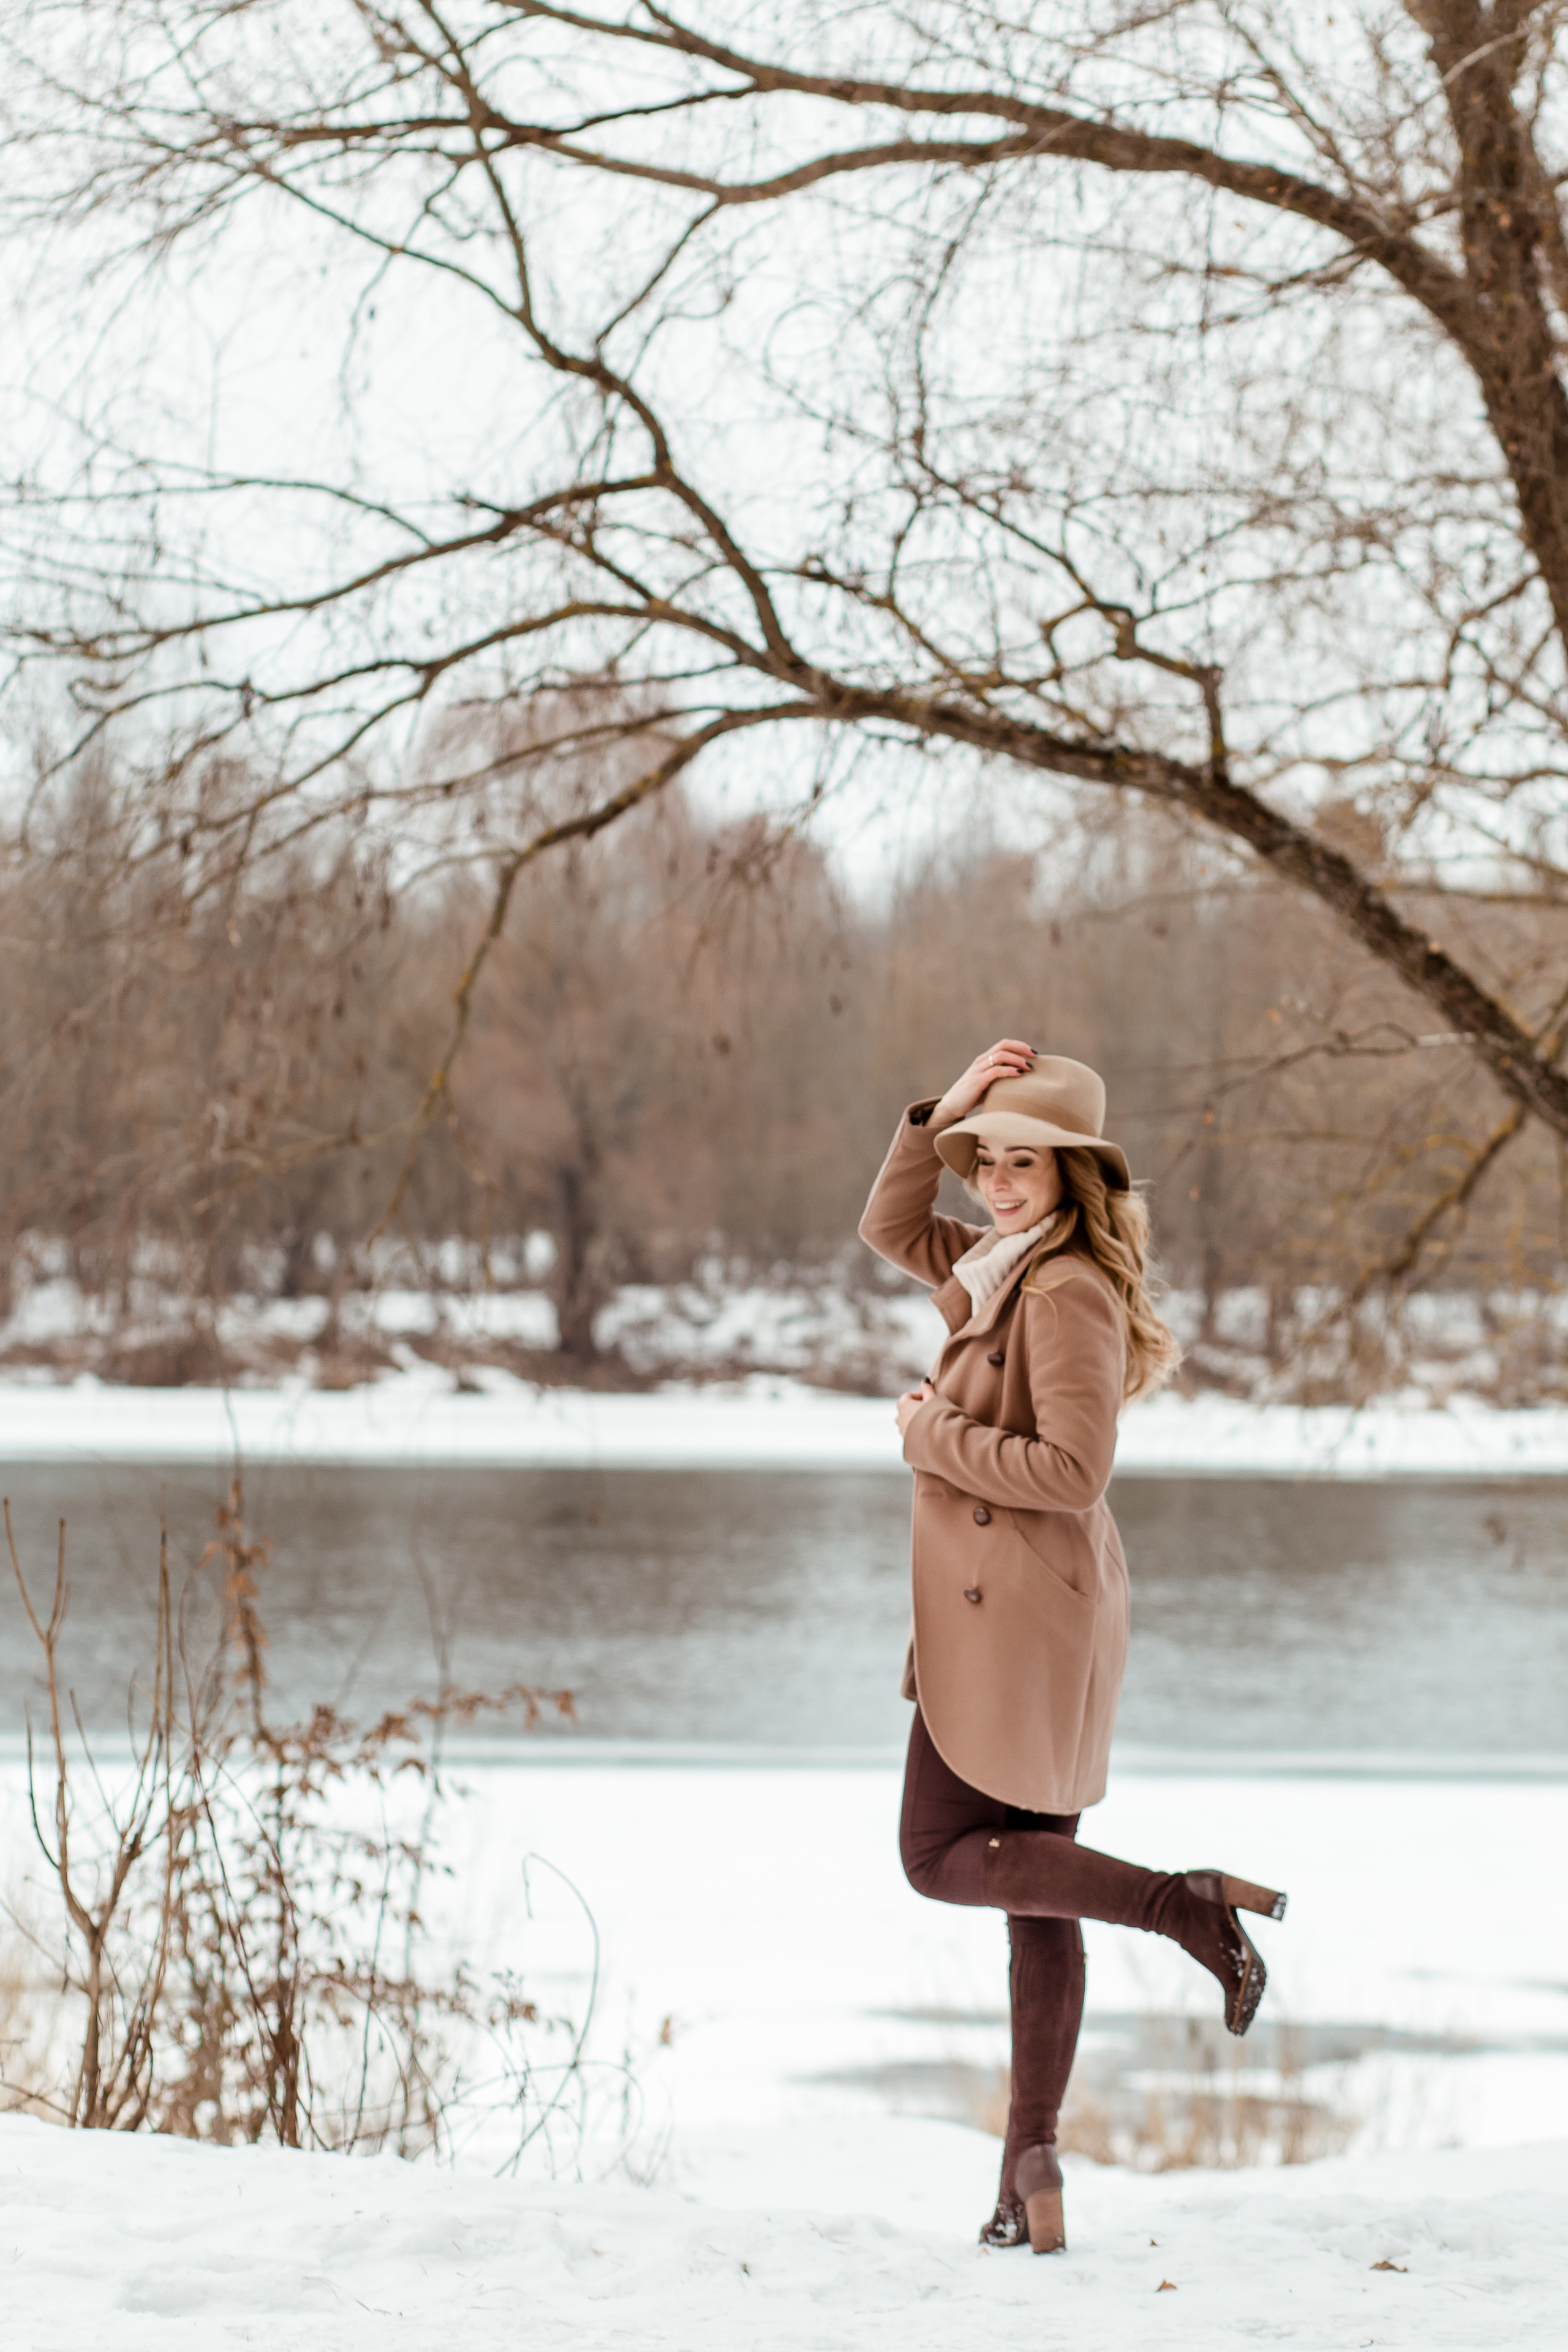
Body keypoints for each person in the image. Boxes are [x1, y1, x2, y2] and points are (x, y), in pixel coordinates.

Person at [859, 1041, 1286, 2255]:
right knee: (1031, 1893)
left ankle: (1177, 1906)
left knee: (936, 1854)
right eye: (982, 1161)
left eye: (1019, 1163)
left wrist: (930, 1435)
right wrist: (937, 1110)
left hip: (1025, 1616)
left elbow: (1070, 1470)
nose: (991, 1185)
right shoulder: (998, 1267)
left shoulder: (1060, 1294)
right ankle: (1023, 2175)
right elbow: (890, 1222)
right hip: (1020, 1606)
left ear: (1071, 1173)